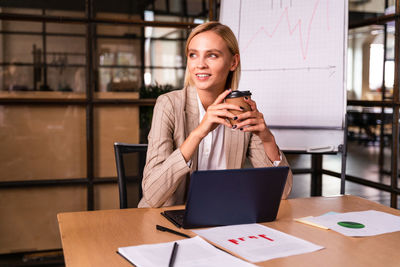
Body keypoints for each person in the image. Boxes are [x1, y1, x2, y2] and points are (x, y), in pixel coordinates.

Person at [138, 21, 292, 208]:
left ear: (233, 62)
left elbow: (282, 193)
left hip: (219, 217)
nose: (200, 65)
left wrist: (267, 139)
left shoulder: (242, 109)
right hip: (165, 218)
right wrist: (198, 133)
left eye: (211, 55)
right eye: (193, 55)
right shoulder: (169, 104)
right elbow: (153, 196)